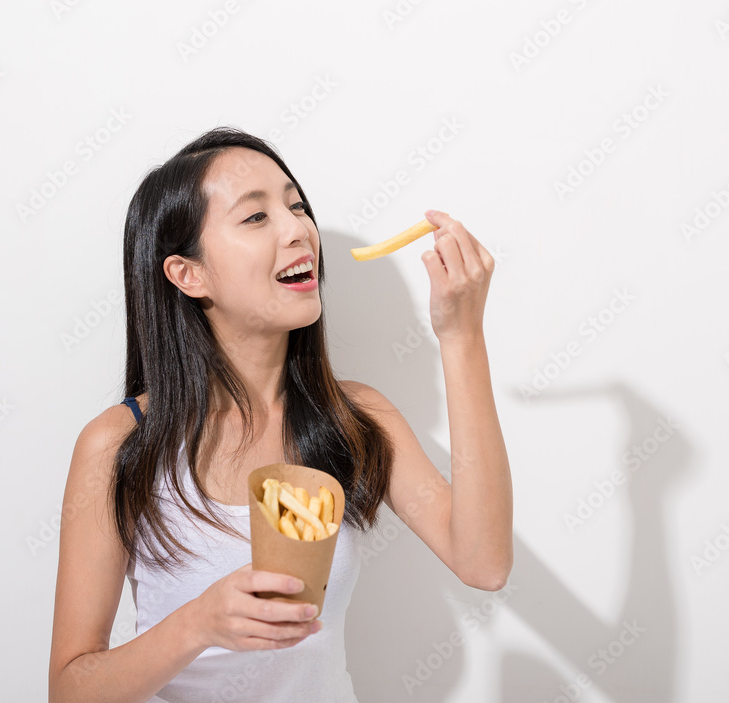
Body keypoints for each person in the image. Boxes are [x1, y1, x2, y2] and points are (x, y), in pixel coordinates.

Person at [48, 126, 513, 703]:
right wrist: (197, 624)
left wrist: (462, 336)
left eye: (296, 207)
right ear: (187, 274)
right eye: (256, 217)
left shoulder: (356, 417)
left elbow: (484, 563)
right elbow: (70, 689)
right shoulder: (119, 443)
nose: (299, 230)